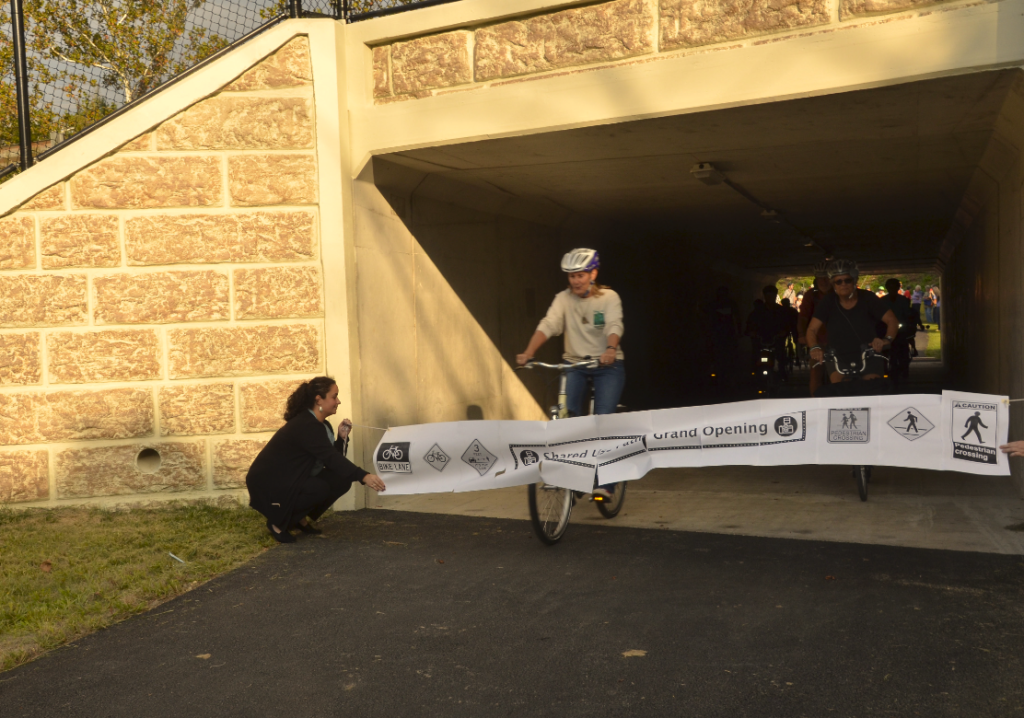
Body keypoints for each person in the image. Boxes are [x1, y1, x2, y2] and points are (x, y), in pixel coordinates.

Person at [517, 248, 625, 495]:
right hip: (574, 364)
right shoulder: (563, 299)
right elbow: (549, 324)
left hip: (607, 365)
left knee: (603, 420)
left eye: (581, 274)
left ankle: (606, 483)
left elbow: (614, 324)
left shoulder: (609, 298)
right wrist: (529, 352)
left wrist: (610, 348)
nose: (575, 280)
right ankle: (574, 473)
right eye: (571, 275)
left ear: (593, 273)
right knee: (569, 417)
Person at [245, 376, 387, 543]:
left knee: (340, 480)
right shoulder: (306, 425)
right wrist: (364, 476)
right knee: (318, 488)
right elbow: (331, 458)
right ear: (319, 399)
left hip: (294, 477)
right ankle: (278, 522)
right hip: (270, 482)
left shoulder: (322, 425)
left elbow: (331, 461)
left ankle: (299, 517)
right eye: (334, 396)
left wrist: (341, 439)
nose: (338, 401)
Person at [806, 259, 899, 389]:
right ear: (833, 284)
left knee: (873, 390)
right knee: (841, 392)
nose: (843, 284)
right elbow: (812, 329)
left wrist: (886, 340)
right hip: (838, 356)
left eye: (847, 280)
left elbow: (892, 320)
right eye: (839, 281)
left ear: (855, 280)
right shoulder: (827, 302)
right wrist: (814, 347)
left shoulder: (868, 298)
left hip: (868, 353)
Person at [798, 260, 832, 396]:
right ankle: (815, 403)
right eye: (820, 278)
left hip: (839, 341)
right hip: (817, 342)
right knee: (815, 373)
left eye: (826, 278)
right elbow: (803, 317)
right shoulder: (811, 295)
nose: (823, 281)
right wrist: (801, 335)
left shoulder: (841, 292)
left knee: (842, 375)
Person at [882, 278, 913, 387]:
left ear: (898, 288)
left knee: (904, 345)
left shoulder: (903, 300)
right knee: (883, 349)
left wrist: (908, 323)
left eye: (894, 287)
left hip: (901, 328)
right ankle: (884, 368)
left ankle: (905, 365)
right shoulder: (883, 301)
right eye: (890, 287)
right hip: (887, 330)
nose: (892, 289)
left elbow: (907, 314)